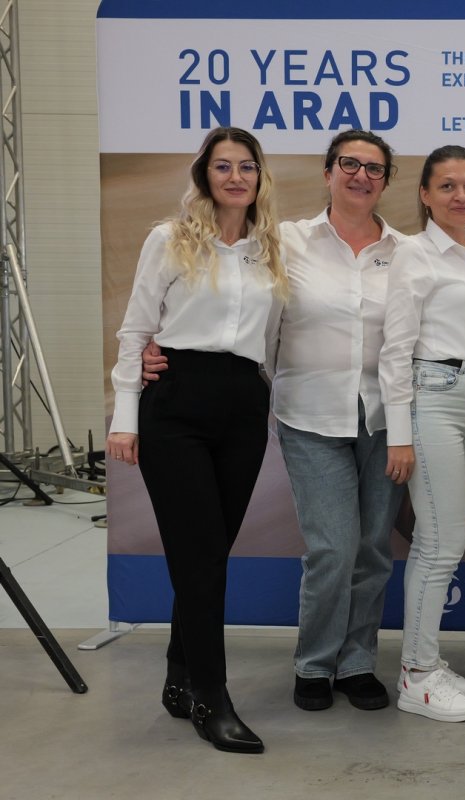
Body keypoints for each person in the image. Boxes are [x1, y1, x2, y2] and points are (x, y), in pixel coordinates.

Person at [142, 129, 409, 715]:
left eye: (374, 168)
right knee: (333, 548)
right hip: (309, 414)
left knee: (372, 549)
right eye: (349, 164)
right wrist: (155, 351)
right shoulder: (282, 241)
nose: (361, 176)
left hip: (383, 416)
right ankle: (314, 664)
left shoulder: (405, 251)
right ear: (327, 173)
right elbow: (235, 308)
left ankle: (357, 662)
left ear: (387, 180)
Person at [108, 127, 286, 754]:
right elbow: (136, 332)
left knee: (209, 556)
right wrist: (125, 416)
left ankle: (179, 676)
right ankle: (213, 698)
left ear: (260, 177)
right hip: (177, 403)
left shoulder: (270, 249)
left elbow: (272, 339)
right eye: (223, 166)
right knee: (201, 557)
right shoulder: (170, 239)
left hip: (243, 403)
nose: (236, 177)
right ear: (204, 175)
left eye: (247, 167)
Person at [379, 145, 465, 723]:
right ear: (425, 195)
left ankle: (426, 658)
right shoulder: (414, 254)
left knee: (445, 541)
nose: (461, 196)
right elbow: (396, 349)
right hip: (431, 397)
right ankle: (417, 676)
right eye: (448, 186)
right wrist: (399, 434)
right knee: (438, 543)